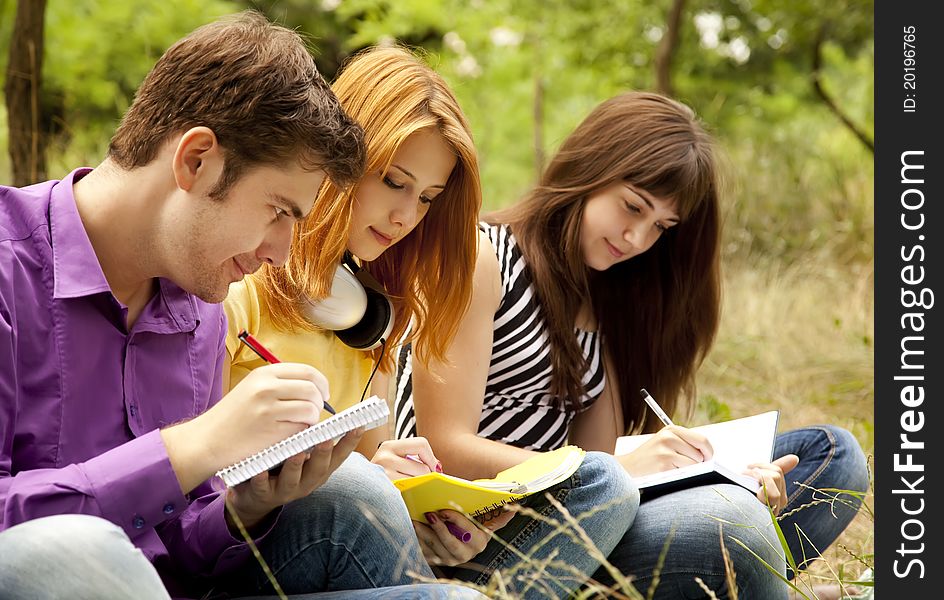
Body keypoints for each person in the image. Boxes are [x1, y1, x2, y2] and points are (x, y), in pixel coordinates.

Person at [0, 12, 482, 600]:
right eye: (278, 210)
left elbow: (180, 549)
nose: (282, 253)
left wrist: (247, 504)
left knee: (452, 595)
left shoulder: (201, 310)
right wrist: (191, 447)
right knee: (74, 552)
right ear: (196, 160)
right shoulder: (10, 269)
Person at [394, 91, 870, 599]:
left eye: (662, 227)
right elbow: (443, 444)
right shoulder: (483, 256)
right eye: (632, 206)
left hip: (581, 516)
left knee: (832, 457)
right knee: (731, 529)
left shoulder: (602, 300)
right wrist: (617, 469)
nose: (639, 238)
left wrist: (715, 474)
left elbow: (603, 463)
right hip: (478, 538)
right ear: (589, 169)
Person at [225, 46, 639, 599]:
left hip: (351, 549)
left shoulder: (372, 314)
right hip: (240, 548)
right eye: (394, 182)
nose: (406, 217)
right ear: (340, 157)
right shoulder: (236, 279)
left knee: (603, 483)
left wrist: (423, 511)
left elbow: (376, 464)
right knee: (355, 494)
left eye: (427, 198)